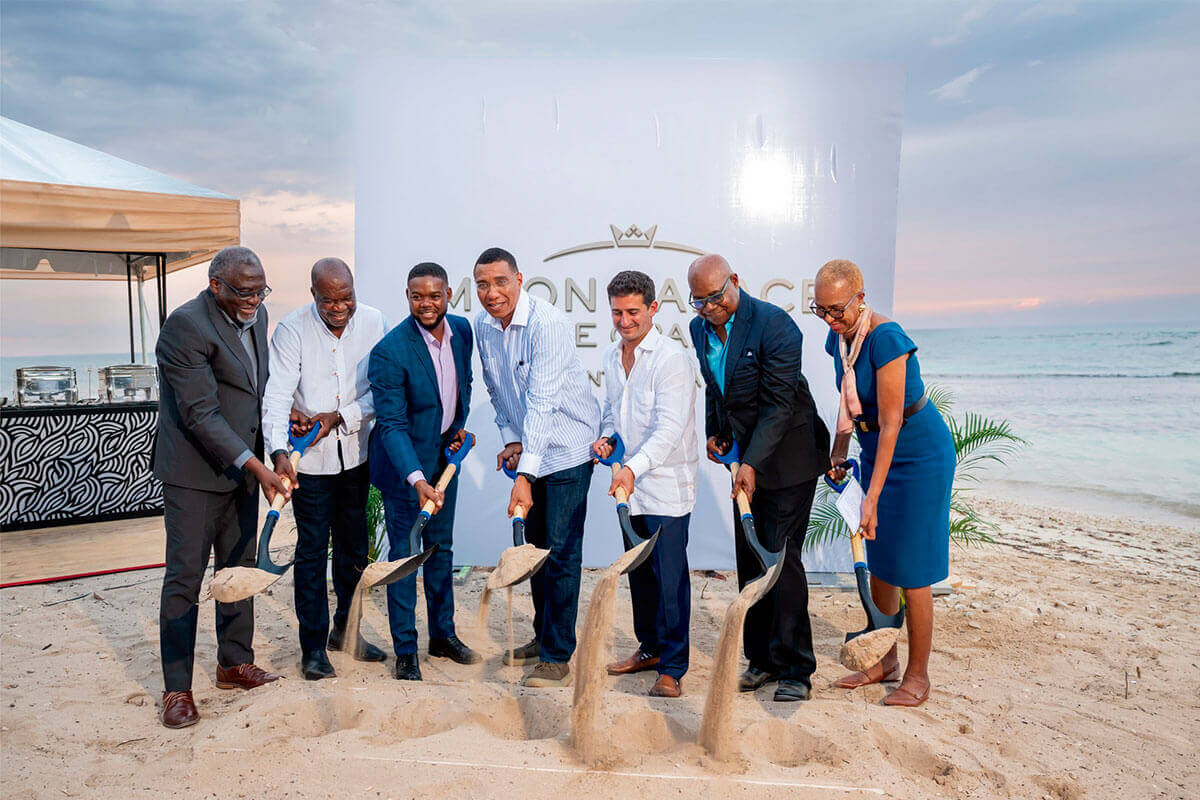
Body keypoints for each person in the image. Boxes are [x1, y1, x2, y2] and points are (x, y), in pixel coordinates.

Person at [153, 246, 288, 729]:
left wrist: (276, 450)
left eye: (260, 291)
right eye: (244, 292)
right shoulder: (185, 326)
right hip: (193, 476)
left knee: (238, 570)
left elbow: (256, 389)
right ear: (216, 285)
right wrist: (257, 466)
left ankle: (233, 663)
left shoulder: (257, 313)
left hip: (243, 472)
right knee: (185, 580)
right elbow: (200, 414)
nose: (255, 300)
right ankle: (177, 689)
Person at [687, 253, 831, 702]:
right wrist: (716, 433)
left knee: (780, 559)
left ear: (734, 281)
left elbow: (779, 405)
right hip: (744, 461)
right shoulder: (699, 328)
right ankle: (761, 661)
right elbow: (716, 389)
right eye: (699, 301)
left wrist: (750, 462)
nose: (709, 308)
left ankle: (796, 669)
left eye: (716, 297)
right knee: (750, 559)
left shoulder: (775, 325)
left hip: (789, 458)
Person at [814, 259, 954, 708]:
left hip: (918, 455)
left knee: (913, 569)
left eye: (837, 309)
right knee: (881, 563)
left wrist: (871, 497)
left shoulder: (886, 338)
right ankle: (884, 660)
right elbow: (848, 400)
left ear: (860, 298)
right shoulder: (840, 337)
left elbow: (892, 421)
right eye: (821, 310)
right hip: (876, 450)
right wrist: (839, 451)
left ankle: (918, 675)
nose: (830, 319)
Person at [473, 246, 600, 688]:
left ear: (519, 280)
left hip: (567, 450)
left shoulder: (548, 324)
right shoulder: (483, 326)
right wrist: (511, 439)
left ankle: (557, 656)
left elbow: (543, 403)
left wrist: (524, 476)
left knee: (561, 552)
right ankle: (544, 636)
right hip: (530, 447)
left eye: (500, 282)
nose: (492, 293)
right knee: (537, 552)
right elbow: (497, 390)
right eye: (483, 285)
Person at [262, 258, 390, 681]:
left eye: (346, 298)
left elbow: (382, 390)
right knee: (313, 554)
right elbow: (277, 396)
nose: (339, 308)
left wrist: (339, 417)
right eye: (329, 300)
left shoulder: (375, 323)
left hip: (356, 458)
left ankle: (347, 633)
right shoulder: (291, 330)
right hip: (310, 466)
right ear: (313, 294)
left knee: (354, 552)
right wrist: (278, 451)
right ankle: (313, 649)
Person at [368, 262, 479, 681]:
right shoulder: (390, 351)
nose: (426, 304)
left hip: (444, 462)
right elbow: (392, 425)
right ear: (408, 297)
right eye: (418, 296)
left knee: (441, 550)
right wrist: (416, 479)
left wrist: (457, 429)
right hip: (404, 471)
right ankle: (406, 651)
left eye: (434, 295)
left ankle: (443, 636)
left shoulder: (462, 331)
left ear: (449, 294)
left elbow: (460, 386)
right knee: (404, 556)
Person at [592, 270, 698, 698]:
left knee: (670, 582)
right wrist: (606, 438)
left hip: (666, 488)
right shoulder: (610, 357)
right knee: (640, 575)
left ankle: (673, 668)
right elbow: (613, 412)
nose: (625, 321)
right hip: (629, 487)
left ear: (653, 308)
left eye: (633, 312)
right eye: (617, 312)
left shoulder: (672, 359)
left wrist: (631, 469)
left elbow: (668, 429)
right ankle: (650, 650)